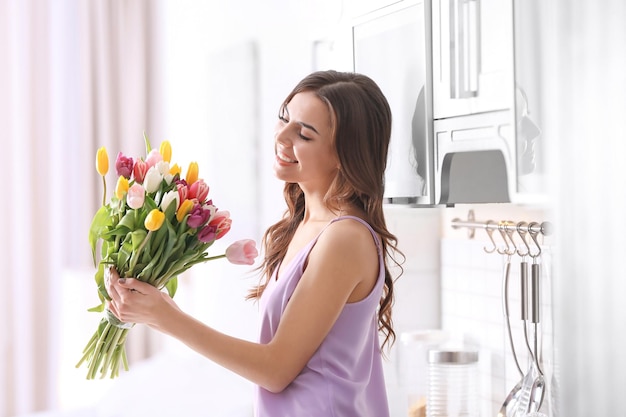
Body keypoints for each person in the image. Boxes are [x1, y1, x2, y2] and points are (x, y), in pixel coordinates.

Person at [106, 69, 404, 417]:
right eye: (285, 118)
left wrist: (168, 317)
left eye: (304, 134)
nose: (282, 136)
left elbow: (276, 370)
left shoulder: (345, 238)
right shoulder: (308, 224)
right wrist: (150, 309)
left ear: (343, 154)